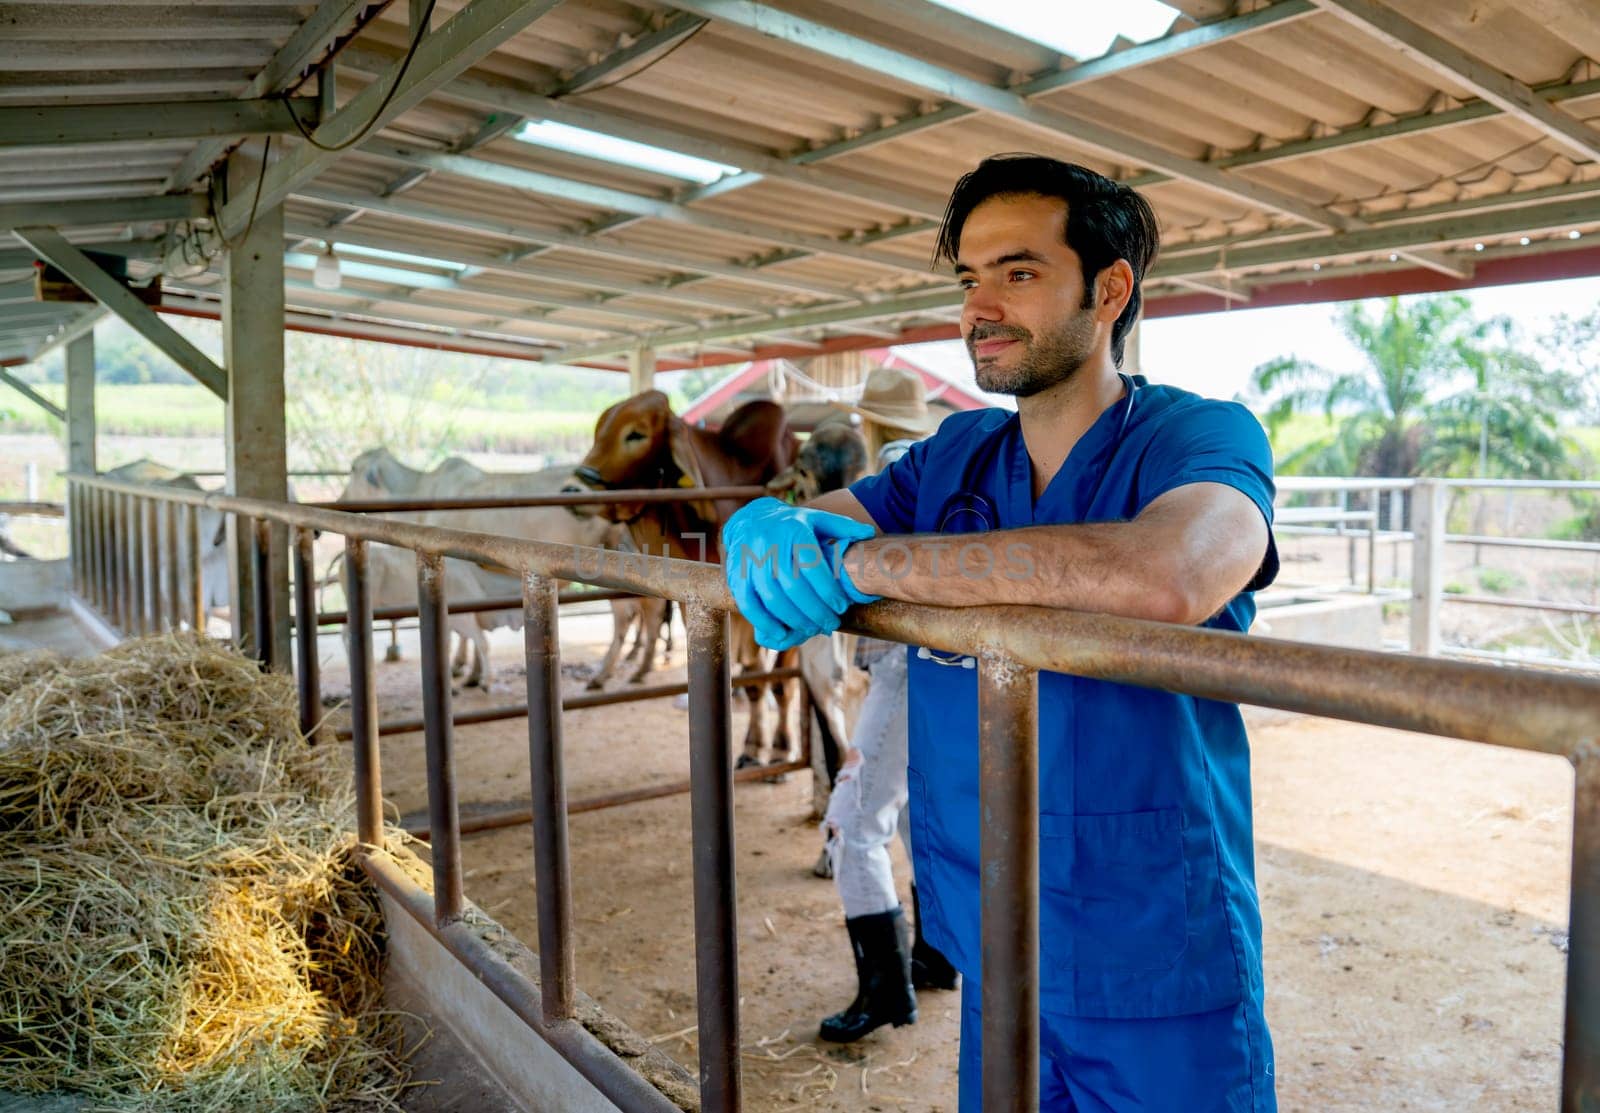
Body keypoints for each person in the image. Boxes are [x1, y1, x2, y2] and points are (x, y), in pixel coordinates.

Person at [721, 154, 1279, 1111]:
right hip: (998, 943)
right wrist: (762, 527)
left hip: (1153, 952)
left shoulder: (1202, 438)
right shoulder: (951, 456)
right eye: (968, 279)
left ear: (1109, 290)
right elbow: (819, 521)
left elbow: (1170, 573)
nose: (979, 307)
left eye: (1017, 273)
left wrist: (871, 567)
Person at [770, 365, 961, 1045]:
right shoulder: (939, 463)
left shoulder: (890, 472)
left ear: (869, 420)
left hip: (903, 668)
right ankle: (936, 952)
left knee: (855, 820)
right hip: (941, 672)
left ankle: (883, 989)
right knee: (911, 806)